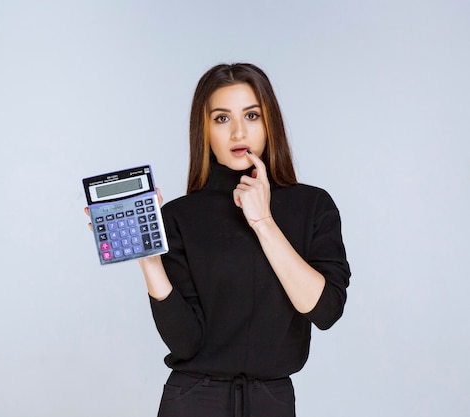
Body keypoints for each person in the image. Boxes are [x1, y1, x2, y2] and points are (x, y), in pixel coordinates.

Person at [87, 63, 350, 417]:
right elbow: (186, 342)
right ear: (205, 130)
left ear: (270, 122)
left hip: (271, 401)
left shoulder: (313, 206)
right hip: (193, 399)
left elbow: (324, 309)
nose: (238, 131)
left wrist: (263, 222)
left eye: (252, 115)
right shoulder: (180, 216)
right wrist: (149, 260)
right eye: (222, 119)